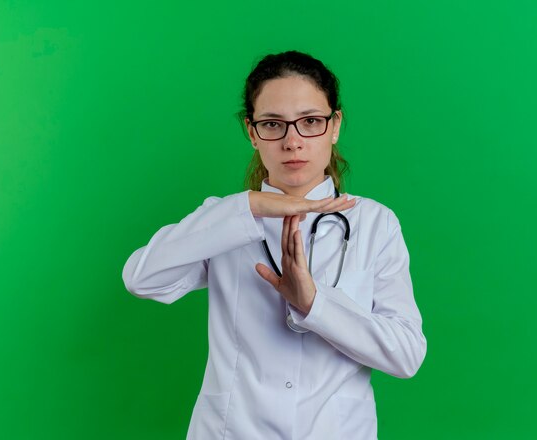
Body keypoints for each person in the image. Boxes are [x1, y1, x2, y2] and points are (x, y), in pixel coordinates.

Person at [122, 50, 427, 440]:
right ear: (252, 133)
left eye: (311, 121)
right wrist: (248, 207)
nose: (292, 141)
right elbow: (141, 279)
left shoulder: (373, 223)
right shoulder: (222, 221)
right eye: (272, 124)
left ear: (335, 126)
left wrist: (315, 305)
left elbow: (406, 354)